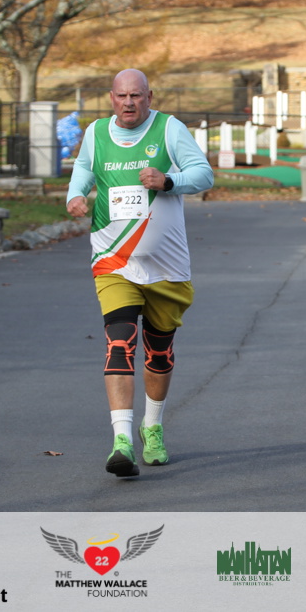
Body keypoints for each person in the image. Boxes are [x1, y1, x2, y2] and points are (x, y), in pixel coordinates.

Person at [66, 69, 213, 478]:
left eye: (136, 95)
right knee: (119, 344)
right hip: (113, 259)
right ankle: (122, 441)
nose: (128, 102)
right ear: (111, 97)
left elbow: (203, 174)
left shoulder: (169, 129)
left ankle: (152, 427)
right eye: (122, 96)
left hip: (167, 267)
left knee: (158, 353)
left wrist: (169, 180)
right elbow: (83, 168)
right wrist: (75, 194)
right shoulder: (97, 132)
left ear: (149, 96)